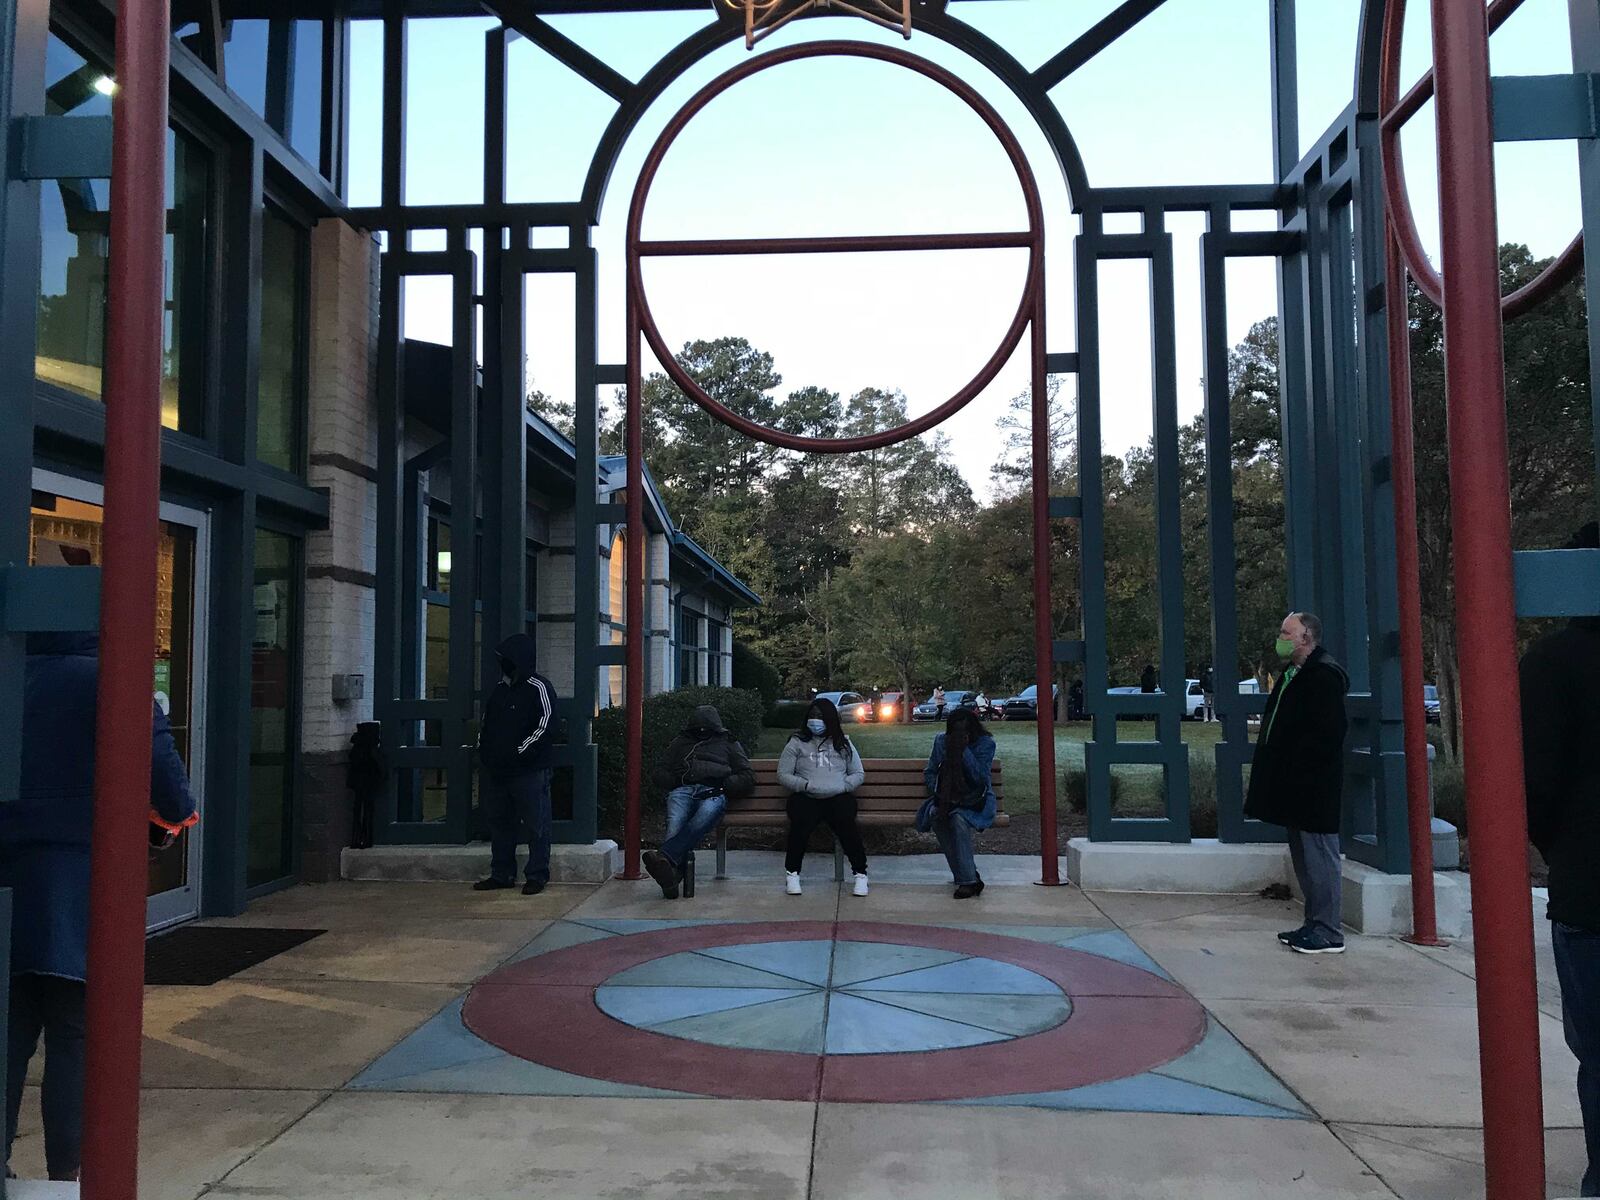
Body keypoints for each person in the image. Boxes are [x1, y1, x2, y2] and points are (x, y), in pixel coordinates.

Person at [1, 632, 196, 1182]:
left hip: (6, 880)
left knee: (8, 1030)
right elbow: (172, 791)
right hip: (79, 883)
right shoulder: (113, 683)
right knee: (74, 1032)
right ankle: (68, 1177)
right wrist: (169, 824)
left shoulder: (11, 680)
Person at [1520, 521, 1600, 1197]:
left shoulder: (1552, 663)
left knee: (1599, 1050)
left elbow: (1533, 787)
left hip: (1589, 886)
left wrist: (1563, 850)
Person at [1244, 612, 1350, 954]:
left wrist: (1301, 769)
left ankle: (1329, 930)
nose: (1281, 638)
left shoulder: (1324, 678)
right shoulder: (1296, 675)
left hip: (1313, 788)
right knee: (1306, 860)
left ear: (1306, 638)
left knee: (1320, 859)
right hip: (1295, 786)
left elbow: (1326, 736)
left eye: (1286, 633)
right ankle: (1314, 924)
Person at [474, 633, 558, 895]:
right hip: (498, 771)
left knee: (537, 824)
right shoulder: (499, 691)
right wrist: (485, 752)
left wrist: (520, 751)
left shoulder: (539, 688)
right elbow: (486, 725)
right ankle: (501, 873)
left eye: (508, 660)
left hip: (529, 771)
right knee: (500, 824)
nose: (504, 665)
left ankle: (536, 875)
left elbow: (546, 725)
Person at [642, 705, 754, 899]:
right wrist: (674, 780)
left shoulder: (728, 742)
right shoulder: (680, 742)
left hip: (714, 790)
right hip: (683, 788)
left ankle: (666, 861)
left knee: (704, 815)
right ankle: (670, 874)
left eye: (706, 728)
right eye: (698, 728)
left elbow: (747, 775)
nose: (702, 732)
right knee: (675, 821)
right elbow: (660, 770)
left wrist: (726, 784)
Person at [778, 697, 868, 896]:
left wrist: (845, 786)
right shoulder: (796, 743)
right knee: (800, 825)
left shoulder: (843, 744)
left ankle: (860, 874)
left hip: (837, 795)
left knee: (847, 825)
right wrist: (804, 785)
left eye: (820, 716)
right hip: (807, 795)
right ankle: (792, 874)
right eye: (812, 716)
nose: (815, 720)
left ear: (830, 719)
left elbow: (858, 773)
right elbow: (783, 774)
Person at [919, 708, 999, 899]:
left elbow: (980, 778)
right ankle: (969, 877)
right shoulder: (941, 741)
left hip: (975, 800)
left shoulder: (986, 744)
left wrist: (963, 751)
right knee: (936, 816)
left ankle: (967, 881)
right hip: (947, 798)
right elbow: (930, 772)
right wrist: (940, 788)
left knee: (957, 819)